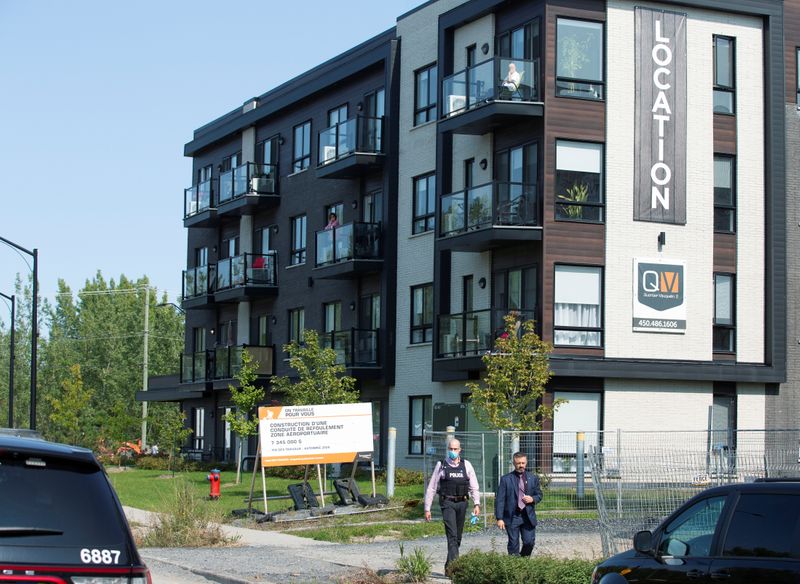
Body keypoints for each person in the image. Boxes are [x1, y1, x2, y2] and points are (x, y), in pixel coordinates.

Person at [424, 438, 481, 572]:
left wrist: (477, 504)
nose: (453, 451)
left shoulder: (466, 465)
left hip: (462, 503)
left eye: (455, 449)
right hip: (447, 503)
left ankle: (448, 565)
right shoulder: (442, 465)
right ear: (447, 449)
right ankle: (455, 569)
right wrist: (427, 508)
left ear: (460, 450)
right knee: (452, 535)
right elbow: (432, 487)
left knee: (458, 537)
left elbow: (474, 487)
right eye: (451, 449)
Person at [495, 451, 542, 557]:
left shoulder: (532, 478)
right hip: (512, 516)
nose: (521, 465)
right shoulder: (506, 479)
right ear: (514, 463)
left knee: (529, 542)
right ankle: (514, 566)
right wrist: (499, 518)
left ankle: (523, 562)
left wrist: (533, 499)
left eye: (523, 463)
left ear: (526, 462)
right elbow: (500, 500)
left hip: (527, 516)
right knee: (513, 544)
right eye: (518, 463)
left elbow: (539, 494)